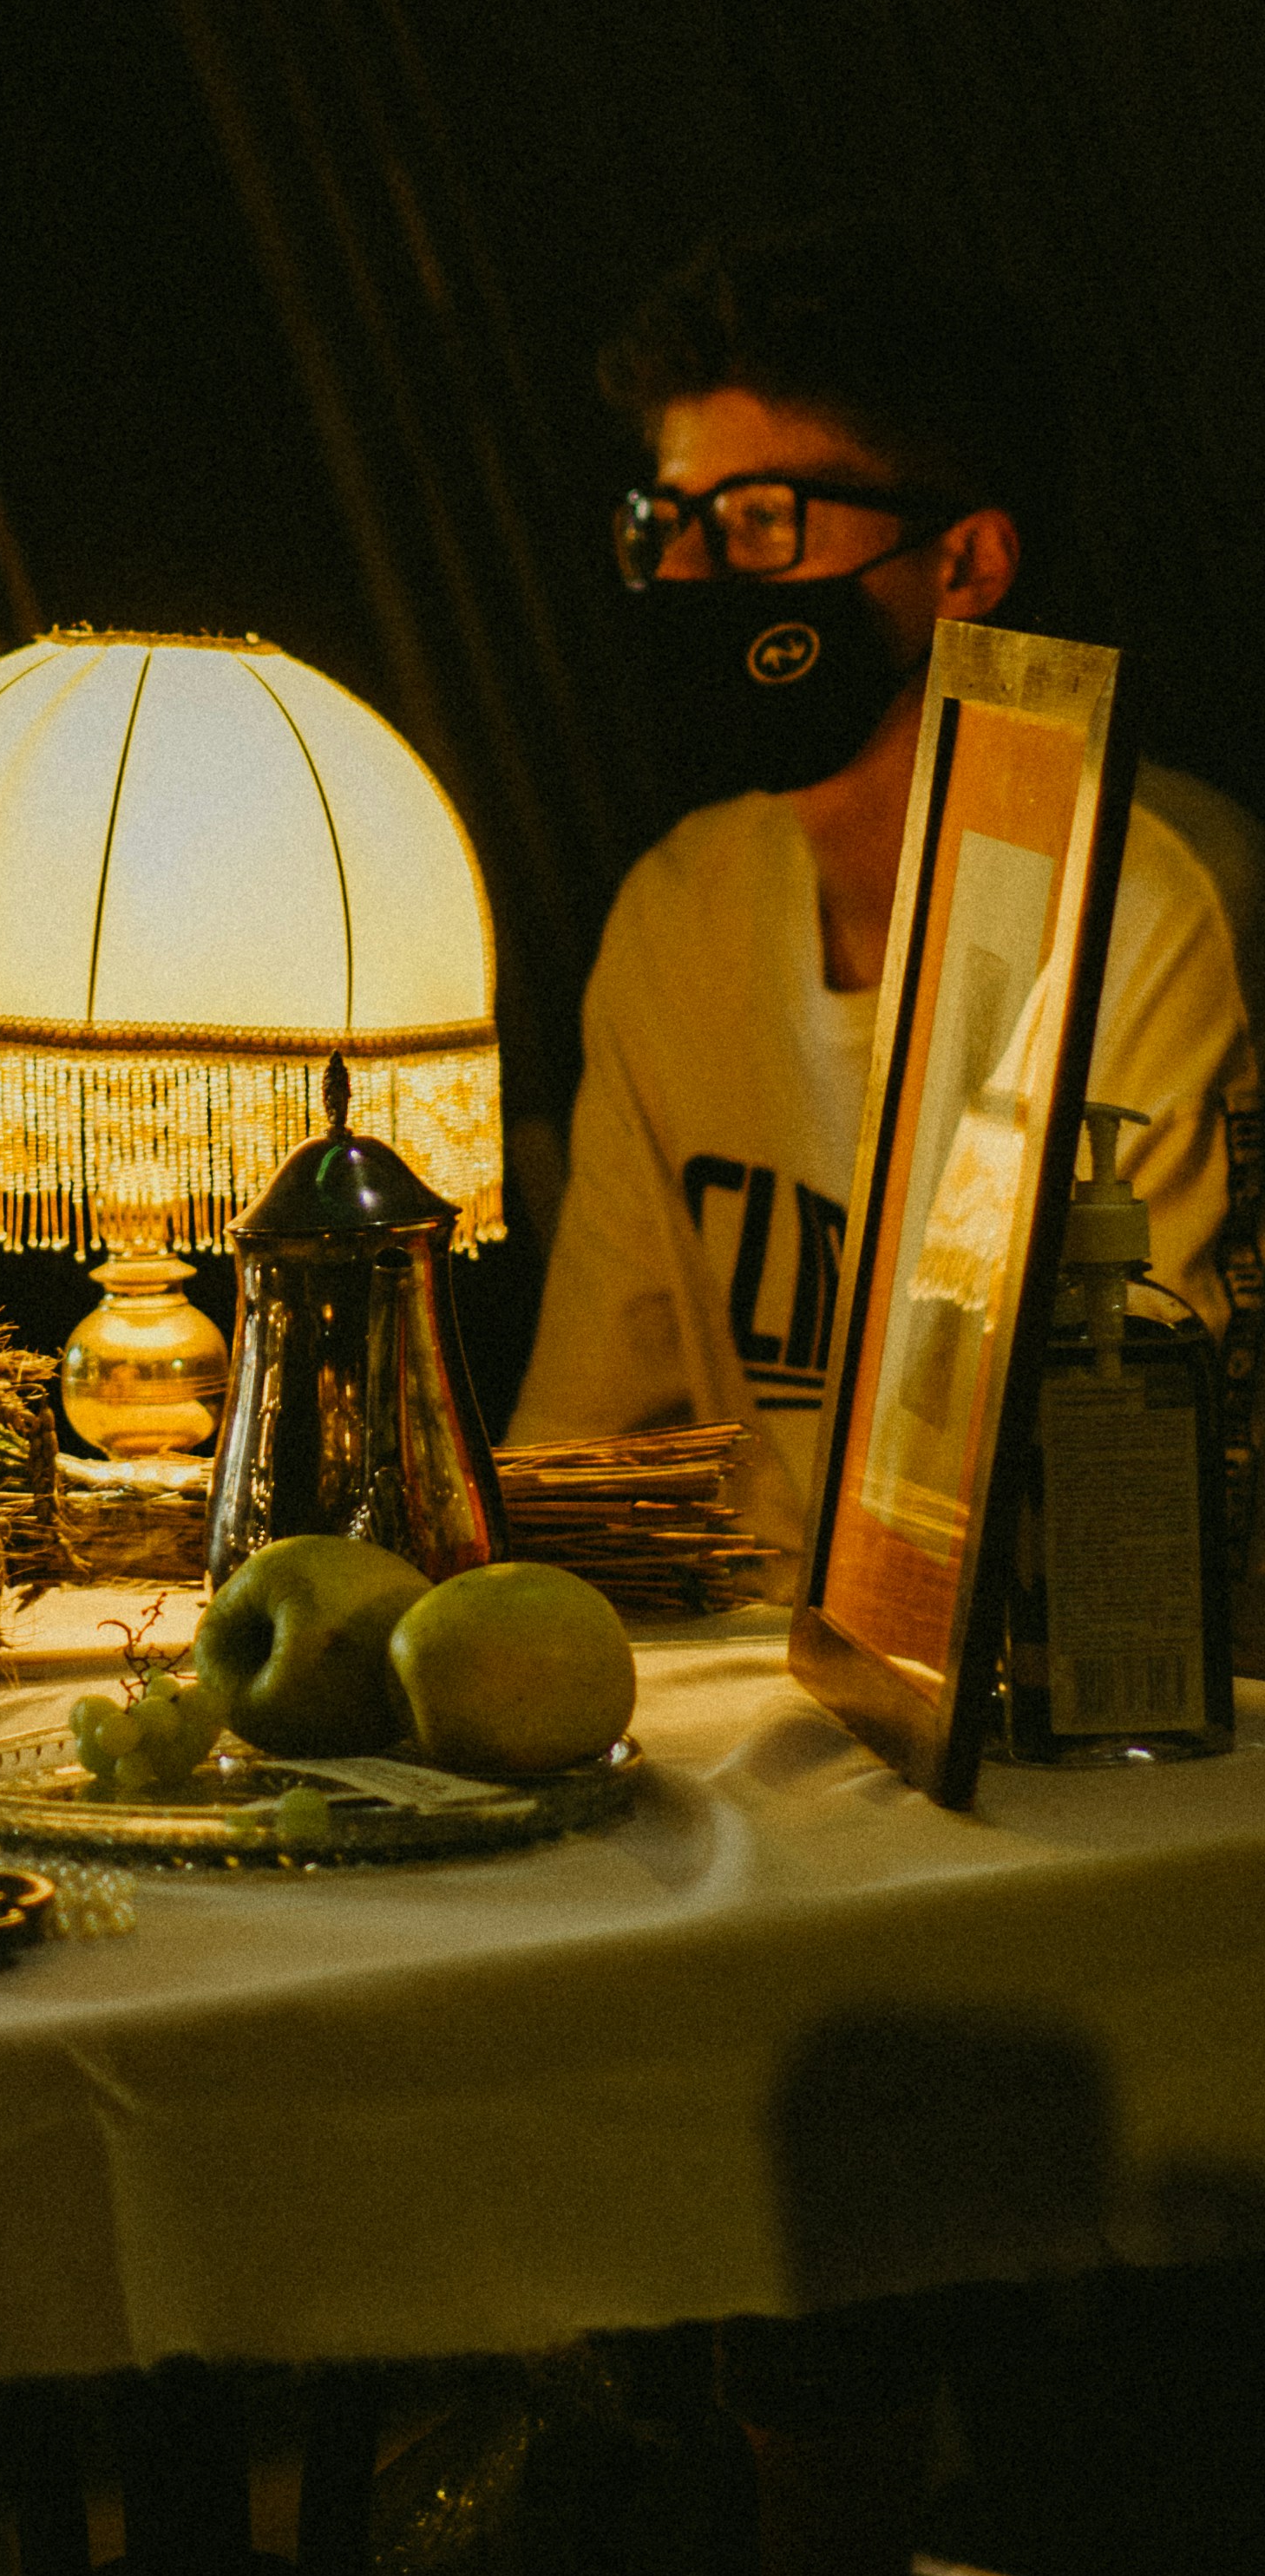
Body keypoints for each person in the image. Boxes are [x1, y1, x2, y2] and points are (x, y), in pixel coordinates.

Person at [513, 210, 1265, 1593]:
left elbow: (1128, 1496)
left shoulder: (1145, 904)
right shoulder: (680, 907)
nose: (684, 578)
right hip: (745, 1715)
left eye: (754, 523)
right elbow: (588, 1453)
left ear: (966, 563)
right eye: (660, 524)